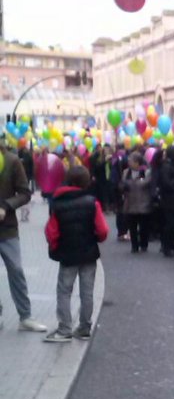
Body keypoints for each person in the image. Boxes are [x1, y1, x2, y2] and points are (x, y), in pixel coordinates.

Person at [43, 163, 108, 342]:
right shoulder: (92, 202)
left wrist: (55, 246)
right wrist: (96, 239)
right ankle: (84, 327)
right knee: (87, 291)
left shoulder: (57, 203)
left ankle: (64, 329)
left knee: (64, 291)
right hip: (88, 253)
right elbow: (102, 230)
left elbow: (51, 232)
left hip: (68, 254)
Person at [0, 130, 47, 333]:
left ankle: (25, 316)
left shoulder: (12, 161)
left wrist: (6, 207)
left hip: (7, 228)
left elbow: (25, 193)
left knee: (16, 270)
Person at [120, 152, 154, 253]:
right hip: (130, 203)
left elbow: (144, 183)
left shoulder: (147, 172)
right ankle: (134, 246)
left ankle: (144, 244)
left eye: (131, 160)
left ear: (137, 162)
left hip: (144, 202)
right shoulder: (126, 172)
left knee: (144, 226)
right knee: (132, 226)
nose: (129, 162)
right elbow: (122, 184)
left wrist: (131, 183)